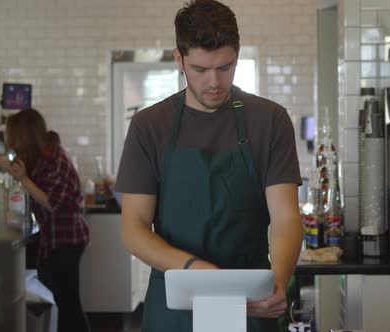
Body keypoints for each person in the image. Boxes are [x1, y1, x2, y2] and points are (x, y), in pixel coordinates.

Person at [115, 1, 303, 331]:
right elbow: (134, 230)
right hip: (174, 302)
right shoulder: (149, 126)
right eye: (200, 70)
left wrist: (280, 280)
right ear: (179, 60)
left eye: (225, 67)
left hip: (251, 300)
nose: (214, 81)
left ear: (237, 55)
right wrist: (195, 269)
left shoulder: (270, 120)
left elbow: (286, 217)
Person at [0, 108, 90, 332]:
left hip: (67, 238)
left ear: (24, 136)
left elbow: (51, 203)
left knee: (69, 305)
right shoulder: (44, 155)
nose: (12, 145)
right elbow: (14, 167)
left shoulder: (56, 160)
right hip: (58, 237)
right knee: (63, 300)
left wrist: (23, 179)